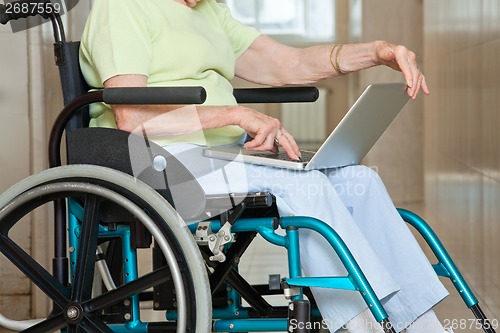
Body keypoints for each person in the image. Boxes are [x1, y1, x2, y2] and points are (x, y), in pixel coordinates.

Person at [79, 1, 450, 332]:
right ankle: (364, 324)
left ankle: (419, 323)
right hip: (160, 160)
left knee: (361, 179)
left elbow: (290, 62)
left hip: (225, 156)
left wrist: (377, 52)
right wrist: (236, 114)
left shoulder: (210, 12)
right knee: (306, 186)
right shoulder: (123, 6)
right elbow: (131, 114)